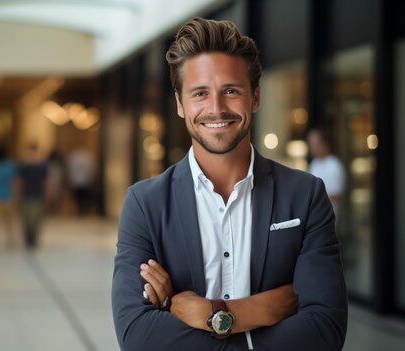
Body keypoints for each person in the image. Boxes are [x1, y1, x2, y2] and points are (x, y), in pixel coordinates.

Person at [111, 17, 347, 350]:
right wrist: (261, 309)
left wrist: (211, 313)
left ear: (255, 97)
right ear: (180, 103)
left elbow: (325, 330)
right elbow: (137, 334)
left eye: (231, 91)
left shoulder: (305, 195)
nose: (216, 108)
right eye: (200, 93)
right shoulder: (144, 204)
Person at [307, 128, 346, 213]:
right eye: (311, 143)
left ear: (325, 144)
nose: (312, 147)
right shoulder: (314, 164)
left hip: (327, 214)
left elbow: (335, 194)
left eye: (315, 143)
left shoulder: (334, 165)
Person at [17, 143, 49, 249]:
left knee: (30, 218)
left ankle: (31, 237)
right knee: (33, 218)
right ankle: (31, 237)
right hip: (34, 194)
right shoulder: (34, 164)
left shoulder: (35, 164)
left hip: (31, 194)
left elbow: (19, 182)